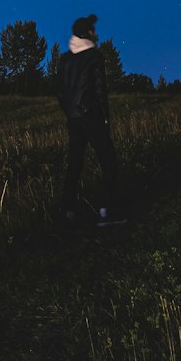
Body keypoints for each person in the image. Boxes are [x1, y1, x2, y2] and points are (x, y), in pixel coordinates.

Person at [58, 13, 124, 226]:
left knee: (74, 166)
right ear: (88, 33)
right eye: (93, 30)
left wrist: (70, 113)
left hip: (74, 120)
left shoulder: (65, 59)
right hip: (92, 118)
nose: (96, 33)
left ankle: (68, 212)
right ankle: (107, 210)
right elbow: (99, 91)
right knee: (109, 163)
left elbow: (61, 93)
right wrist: (105, 118)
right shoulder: (94, 57)